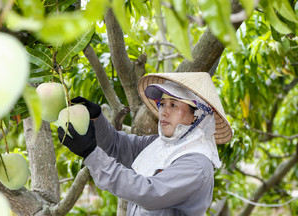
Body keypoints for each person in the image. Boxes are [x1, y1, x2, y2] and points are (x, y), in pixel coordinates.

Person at [58, 72, 233, 216]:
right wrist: (97, 119)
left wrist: (90, 153)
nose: (164, 112)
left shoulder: (197, 164)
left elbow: (149, 193)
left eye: (173, 105)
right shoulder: (160, 145)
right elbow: (119, 146)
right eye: (163, 104)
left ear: (198, 116)